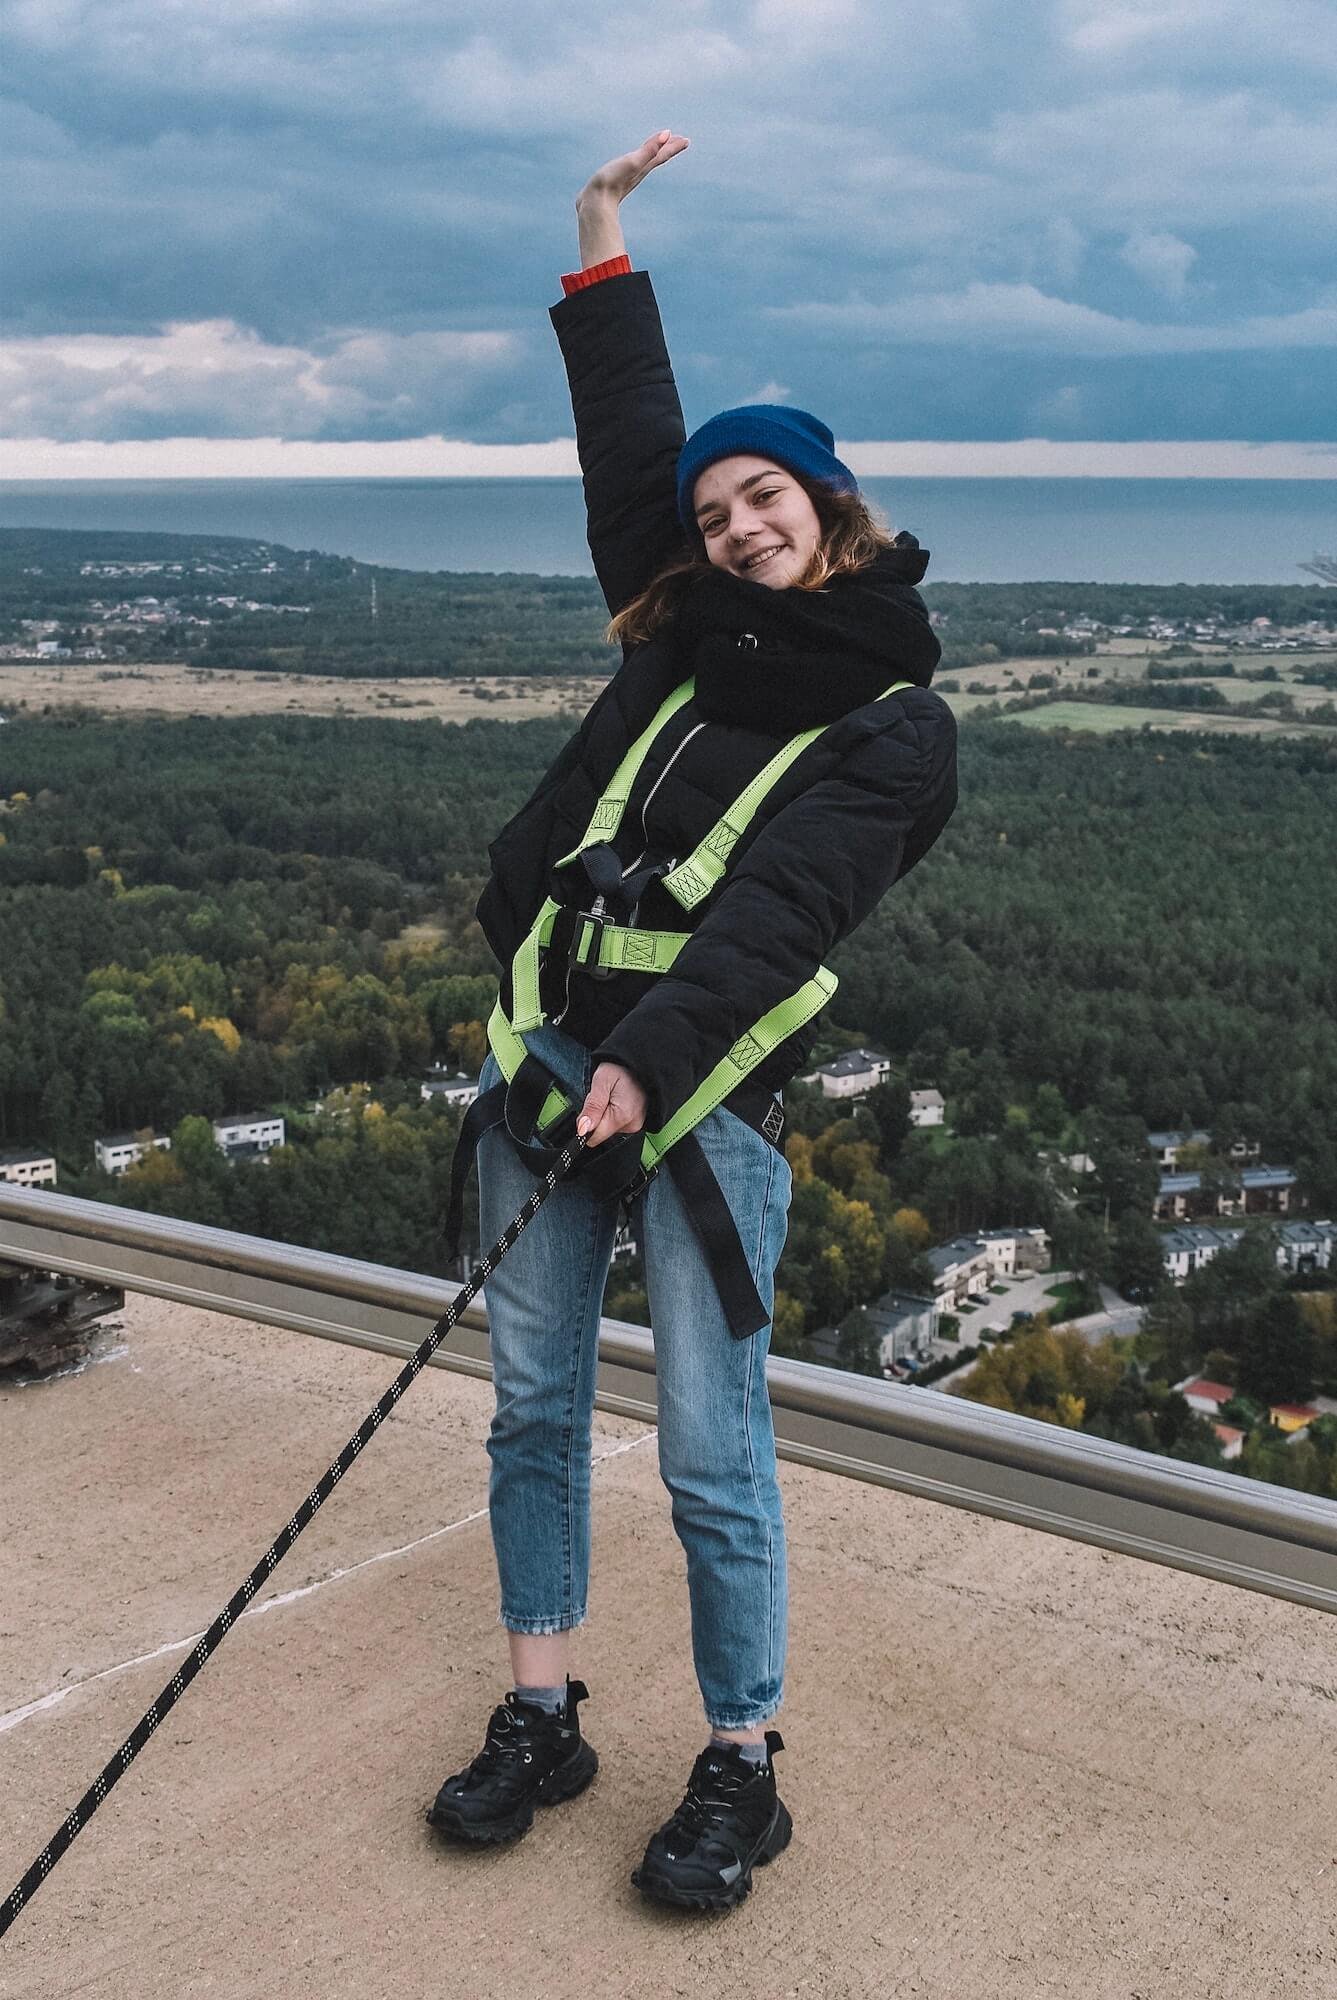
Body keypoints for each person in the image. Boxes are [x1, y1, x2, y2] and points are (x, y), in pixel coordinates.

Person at [427, 130, 958, 1912]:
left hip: (703, 1104)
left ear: (832, 513)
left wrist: (648, 1065)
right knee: (527, 1410)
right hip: (550, 1071)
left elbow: (777, 915)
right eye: (719, 505)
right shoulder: (676, 635)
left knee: (715, 1457)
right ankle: (541, 1710)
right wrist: (598, 249)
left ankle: (740, 1763)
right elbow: (625, 458)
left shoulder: (887, 718)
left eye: (768, 499)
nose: (736, 520)